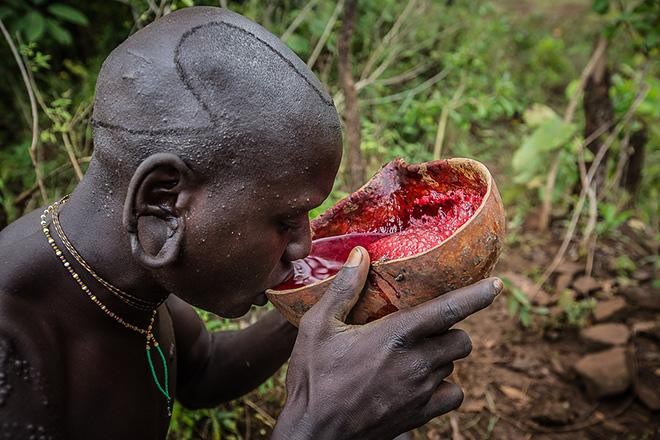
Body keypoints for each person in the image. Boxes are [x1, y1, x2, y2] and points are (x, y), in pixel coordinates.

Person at [0, 6, 502, 440]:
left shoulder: (131, 276)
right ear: (163, 200)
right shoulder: (14, 353)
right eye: (285, 220)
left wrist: (339, 299)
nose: (305, 246)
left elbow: (204, 372)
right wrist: (316, 428)